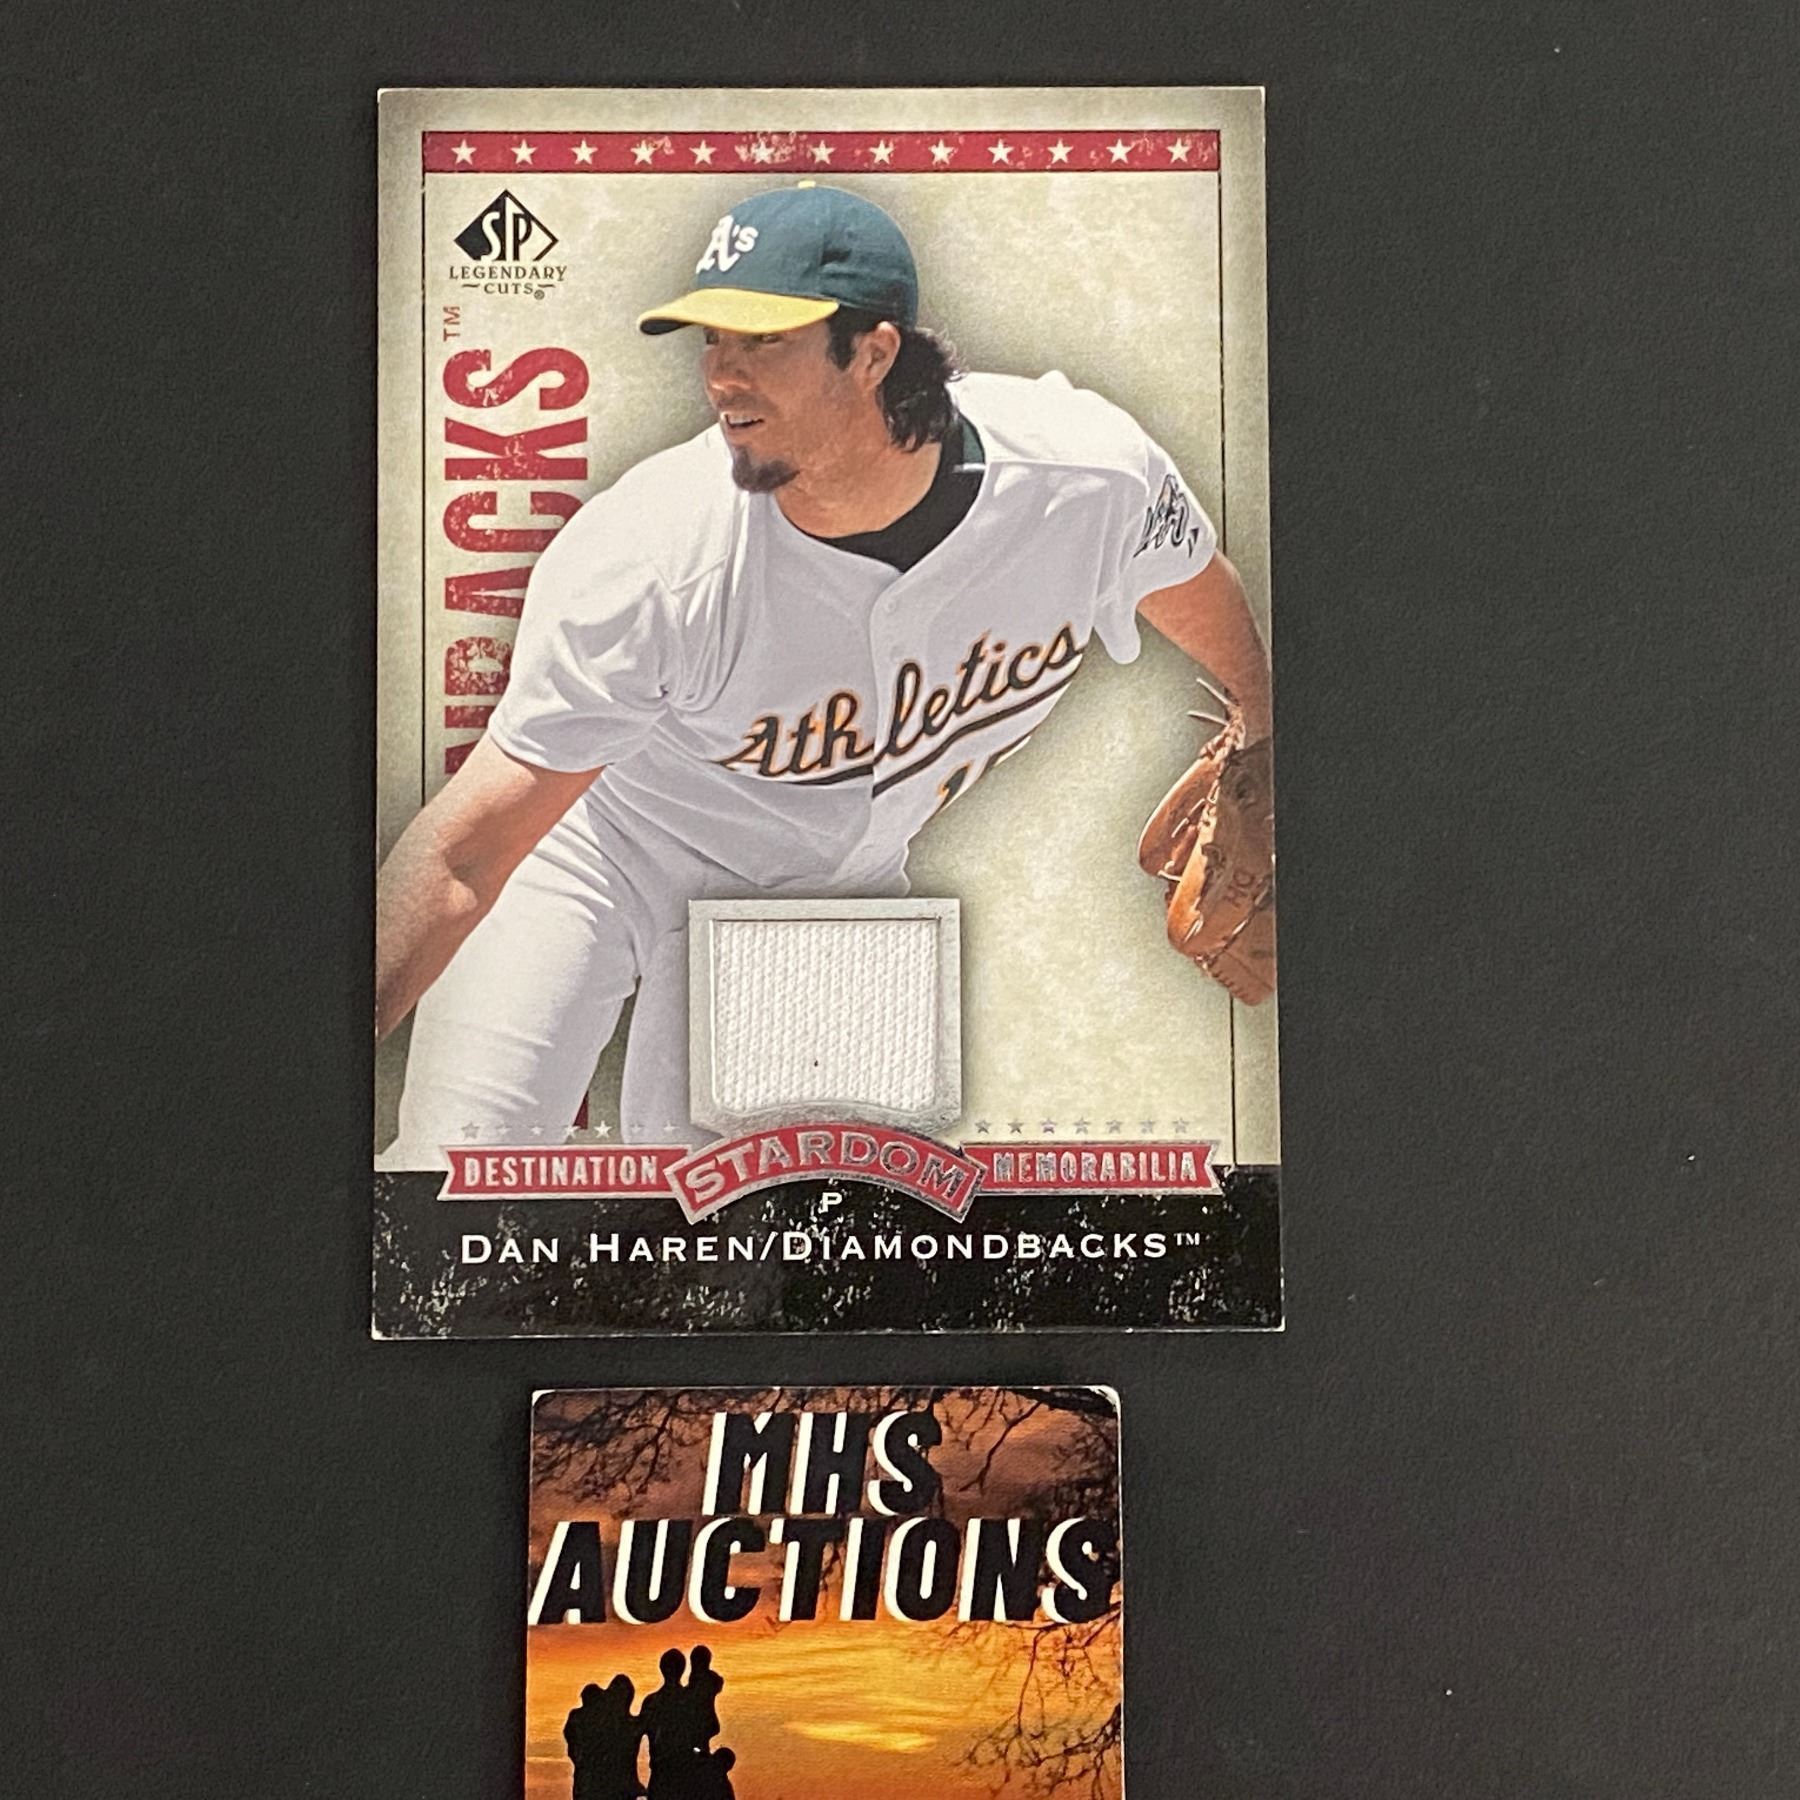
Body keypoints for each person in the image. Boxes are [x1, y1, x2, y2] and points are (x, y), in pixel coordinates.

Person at [376, 183, 1272, 1162]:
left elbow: (1188, 579)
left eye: (764, 341)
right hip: (593, 854)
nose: (722, 375)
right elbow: (465, 856)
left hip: (829, 899)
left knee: (769, 1230)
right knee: (455, 1176)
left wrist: (1266, 720)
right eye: (712, 339)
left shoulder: (1085, 477)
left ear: (875, 353)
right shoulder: (654, 555)